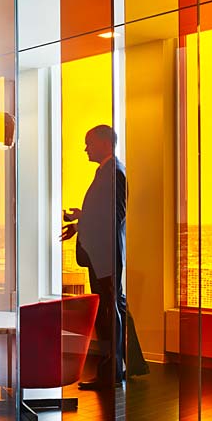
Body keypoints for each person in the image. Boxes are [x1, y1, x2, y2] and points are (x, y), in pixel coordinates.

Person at [60, 125, 148, 389]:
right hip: (103, 253)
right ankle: (130, 364)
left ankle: (111, 370)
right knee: (116, 306)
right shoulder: (108, 171)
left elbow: (116, 215)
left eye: (89, 143)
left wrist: (83, 221)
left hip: (105, 254)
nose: (85, 148)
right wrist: (79, 222)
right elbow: (106, 213)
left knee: (109, 311)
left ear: (103, 143)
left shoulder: (114, 172)